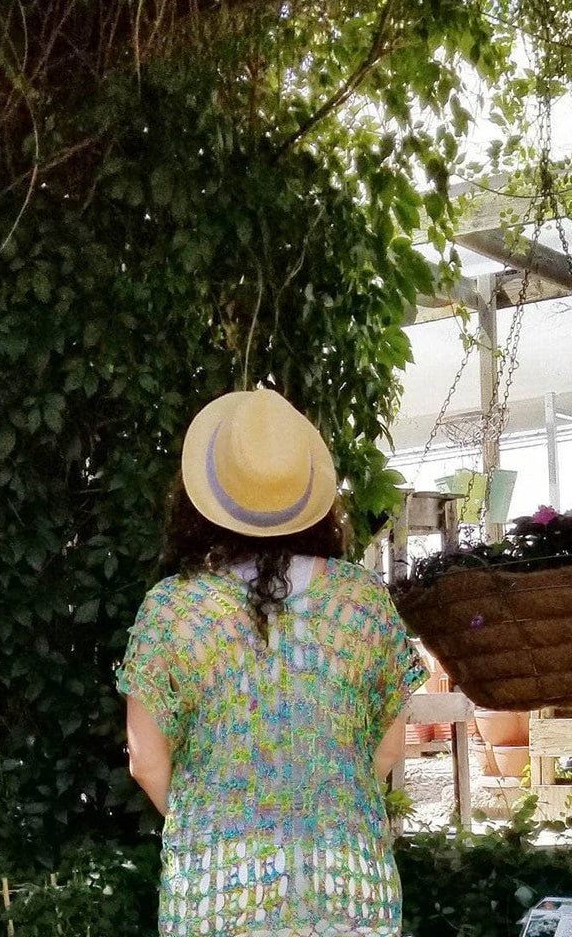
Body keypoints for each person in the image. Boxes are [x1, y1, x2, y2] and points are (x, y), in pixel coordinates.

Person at [116, 388, 427, 936]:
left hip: (222, 890)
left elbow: (145, 761)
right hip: (347, 884)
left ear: (204, 497)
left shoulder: (174, 609)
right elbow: (389, 746)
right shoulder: (361, 601)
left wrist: (214, 818)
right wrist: (324, 802)